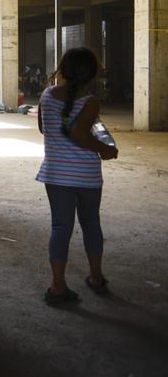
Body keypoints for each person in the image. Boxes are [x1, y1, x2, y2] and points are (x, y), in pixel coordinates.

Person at [36, 47, 117, 305]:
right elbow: (79, 134)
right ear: (91, 74)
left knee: (61, 227)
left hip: (56, 174)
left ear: (64, 70)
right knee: (91, 223)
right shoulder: (90, 102)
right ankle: (96, 277)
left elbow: (42, 128)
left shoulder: (47, 96)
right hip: (87, 176)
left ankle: (57, 287)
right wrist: (105, 149)